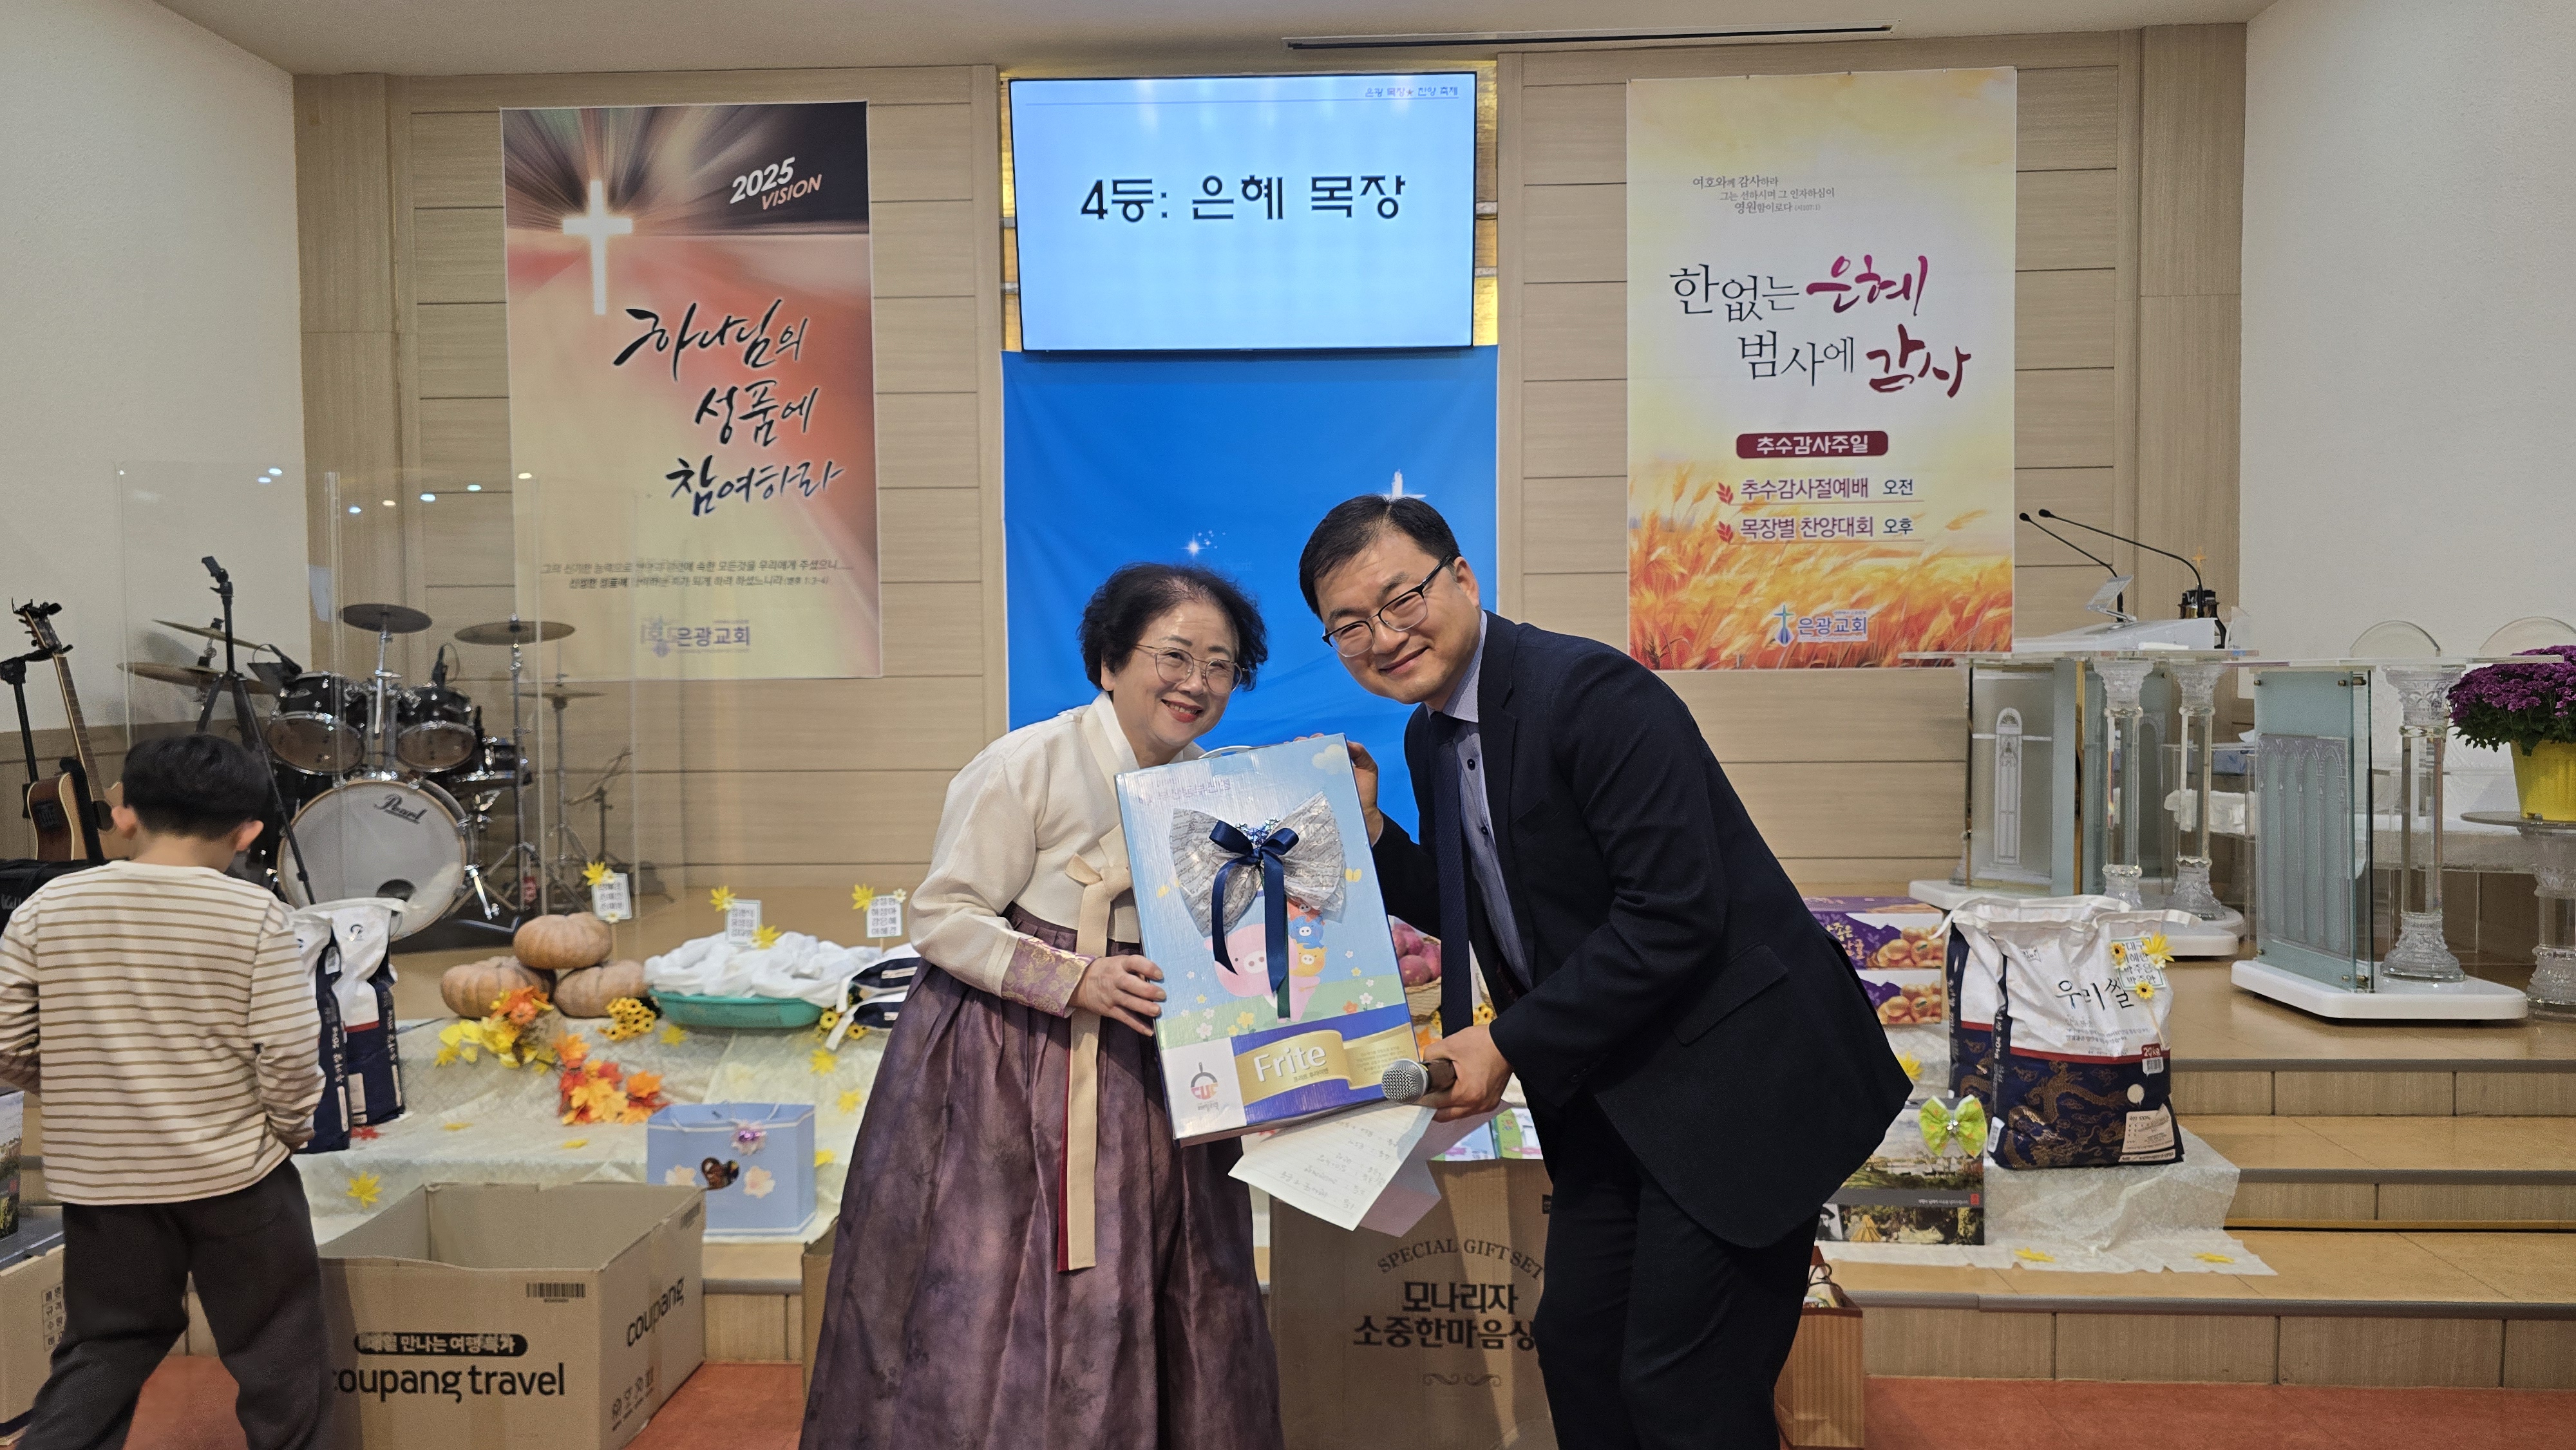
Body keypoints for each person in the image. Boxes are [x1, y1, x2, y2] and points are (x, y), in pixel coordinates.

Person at [1299, 496, 1909, 1450]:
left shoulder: (1589, 693)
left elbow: (1672, 913)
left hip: (1734, 1086)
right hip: (1616, 1096)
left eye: (1400, 599)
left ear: (1462, 577)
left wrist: (1505, 1043)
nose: (1383, 636)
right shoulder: (1430, 736)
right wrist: (1373, 831)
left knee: (1684, 1388)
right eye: (1349, 625)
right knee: (1580, 1348)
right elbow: (1481, 905)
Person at [802, 563, 1283, 1450]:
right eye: (1174, 656)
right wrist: (1071, 977)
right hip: (1013, 1064)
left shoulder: (1215, 787)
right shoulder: (1024, 764)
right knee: (996, 1277)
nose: (1197, 682)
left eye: (1220, 665)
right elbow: (942, 916)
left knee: (1177, 1266)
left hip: (1153, 1055)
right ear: (1109, 662)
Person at [0, 733, 328, 1450]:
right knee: (279, 1344)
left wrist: (79, 1088)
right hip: (236, 1176)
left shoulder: (49, 904)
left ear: (123, 815)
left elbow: (5, 1042)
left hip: (103, 1182)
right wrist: (291, 1127)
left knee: (105, 1344)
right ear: (248, 832)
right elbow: (289, 1050)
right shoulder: (255, 913)